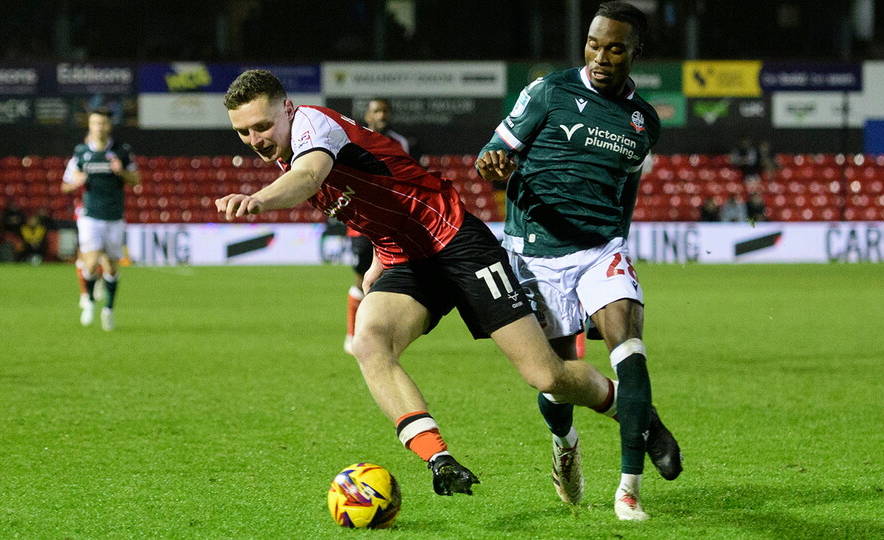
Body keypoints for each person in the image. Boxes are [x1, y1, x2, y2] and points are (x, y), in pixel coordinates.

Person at [215, 69, 680, 502]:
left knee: (548, 377)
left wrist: (255, 201)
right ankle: (439, 459)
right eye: (244, 132)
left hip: (456, 241)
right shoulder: (283, 151)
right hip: (407, 259)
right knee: (369, 342)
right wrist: (381, 252)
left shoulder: (311, 127)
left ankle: (637, 414)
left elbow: (311, 175)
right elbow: (378, 187)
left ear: (289, 109)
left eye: (262, 125)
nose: (256, 140)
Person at [476, 1, 682, 521]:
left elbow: (627, 186)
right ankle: (566, 442)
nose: (601, 56)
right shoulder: (549, 91)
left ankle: (628, 490)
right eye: (593, 43)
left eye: (615, 48)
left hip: (599, 251)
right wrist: (492, 165)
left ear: (636, 53)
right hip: (533, 255)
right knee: (554, 378)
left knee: (630, 349)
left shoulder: (643, 122)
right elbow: (491, 153)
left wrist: (620, 242)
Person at [61, 107, 140, 331]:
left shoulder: (122, 151)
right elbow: (65, 185)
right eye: (95, 123)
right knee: (92, 262)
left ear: (109, 126)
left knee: (113, 268)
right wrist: (75, 183)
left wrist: (120, 171)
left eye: (103, 123)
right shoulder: (81, 152)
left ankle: (109, 310)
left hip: (115, 216)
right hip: (91, 216)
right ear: (90, 125)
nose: (99, 127)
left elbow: (136, 180)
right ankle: (89, 301)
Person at [344, 98, 413, 355]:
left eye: (385, 110)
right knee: (361, 277)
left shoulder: (401, 143)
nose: (382, 115)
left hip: (391, 221)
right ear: (368, 116)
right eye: (376, 111)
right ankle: (352, 335)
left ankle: (382, 335)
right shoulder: (354, 140)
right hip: (361, 223)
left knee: (390, 279)